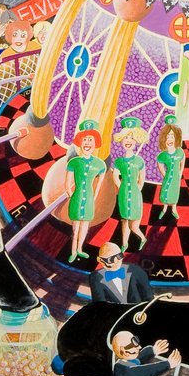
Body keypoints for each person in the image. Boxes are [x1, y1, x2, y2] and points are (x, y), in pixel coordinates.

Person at [65, 119, 107, 263]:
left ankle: (80, 249)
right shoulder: (74, 162)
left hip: (89, 199)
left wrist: (93, 198)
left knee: (85, 226)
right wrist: (72, 196)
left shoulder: (100, 164)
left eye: (90, 140)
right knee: (76, 227)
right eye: (84, 140)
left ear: (95, 143)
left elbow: (99, 184)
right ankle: (73, 251)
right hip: (76, 198)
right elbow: (67, 183)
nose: (87, 143)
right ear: (80, 142)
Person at [111, 116, 149, 250]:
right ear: (121, 140)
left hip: (135, 194)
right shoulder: (119, 161)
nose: (128, 141)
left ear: (136, 141)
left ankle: (143, 238)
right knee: (124, 220)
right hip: (123, 193)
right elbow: (115, 175)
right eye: (126, 137)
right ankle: (124, 244)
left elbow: (142, 178)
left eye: (132, 138)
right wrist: (121, 187)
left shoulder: (139, 161)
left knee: (133, 224)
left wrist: (137, 189)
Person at [88, 243, 153, 304]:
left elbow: (149, 298)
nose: (116, 261)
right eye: (111, 259)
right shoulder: (96, 277)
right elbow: (99, 304)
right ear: (100, 260)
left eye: (119, 256)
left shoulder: (136, 270)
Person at [156, 116, 184, 222]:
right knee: (165, 191)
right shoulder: (162, 155)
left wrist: (180, 172)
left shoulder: (180, 151)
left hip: (176, 177)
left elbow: (182, 161)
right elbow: (160, 164)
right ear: (164, 139)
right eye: (167, 137)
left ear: (176, 138)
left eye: (172, 136)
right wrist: (164, 174)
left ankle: (174, 209)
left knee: (175, 192)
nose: (170, 139)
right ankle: (164, 209)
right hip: (168, 177)